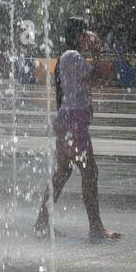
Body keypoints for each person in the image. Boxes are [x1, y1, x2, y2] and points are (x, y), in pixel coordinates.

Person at [34, 18, 121, 242]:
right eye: (85, 34)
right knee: (90, 172)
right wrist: (98, 52)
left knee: (62, 173)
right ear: (78, 35)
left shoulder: (67, 56)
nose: (87, 38)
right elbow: (98, 79)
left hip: (68, 121)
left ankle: (42, 222)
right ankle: (96, 228)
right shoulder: (72, 56)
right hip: (74, 123)